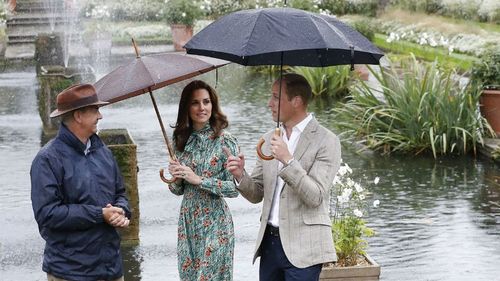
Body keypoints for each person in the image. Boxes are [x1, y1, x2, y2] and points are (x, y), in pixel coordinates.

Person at [225, 73, 341, 281]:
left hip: (305, 247)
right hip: (269, 244)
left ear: (296, 101)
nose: (269, 103)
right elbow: (256, 194)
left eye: (276, 97)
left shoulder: (327, 141)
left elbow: (316, 196)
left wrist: (288, 160)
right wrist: (240, 175)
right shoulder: (270, 139)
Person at [30, 84, 131, 281]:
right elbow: (47, 214)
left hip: (111, 269)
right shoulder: (47, 159)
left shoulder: (104, 153)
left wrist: (121, 212)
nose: (100, 116)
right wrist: (100, 214)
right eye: (95, 110)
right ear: (78, 116)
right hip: (70, 273)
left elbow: (120, 194)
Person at [167, 80, 240, 281]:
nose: (202, 108)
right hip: (188, 221)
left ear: (213, 105)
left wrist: (199, 179)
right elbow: (177, 190)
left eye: (206, 102)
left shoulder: (226, 140)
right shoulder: (179, 140)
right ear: (186, 107)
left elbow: (233, 189)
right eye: (195, 103)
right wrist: (175, 177)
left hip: (216, 222)